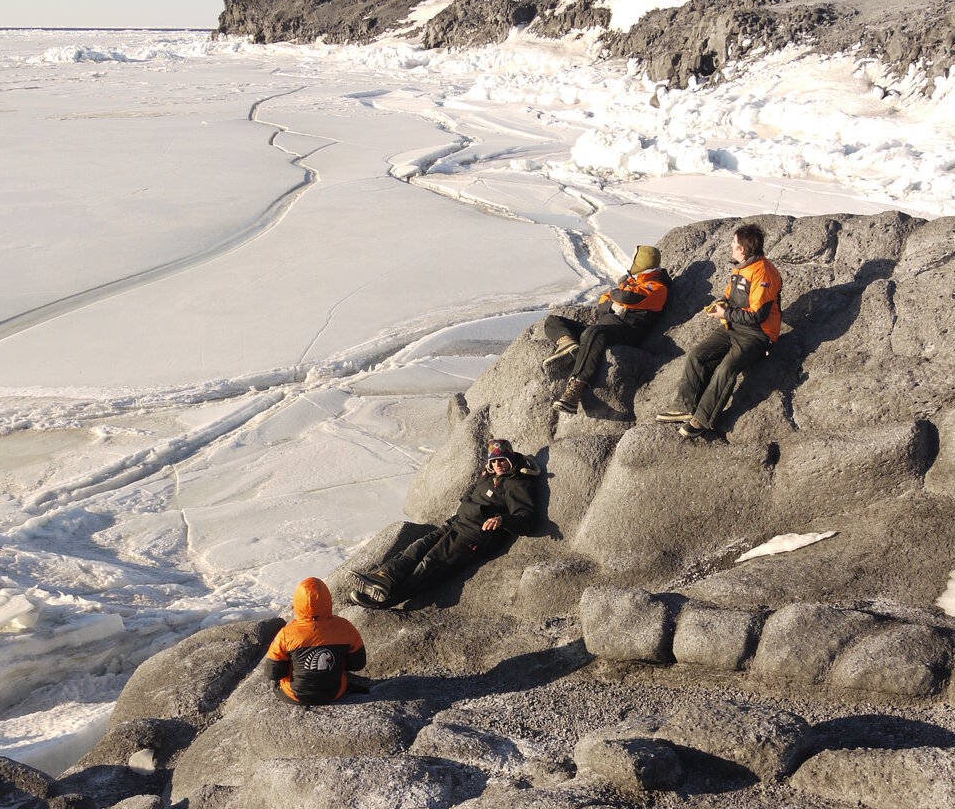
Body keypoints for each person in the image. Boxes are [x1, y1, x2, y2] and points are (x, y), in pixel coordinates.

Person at [349, 437, 540, 609]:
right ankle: (383, 578)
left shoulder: (518, 483)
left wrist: (501, 520)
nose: (498, 464)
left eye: (502, 460)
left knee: (431, 565)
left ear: (510, 459)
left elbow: (527, 520)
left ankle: (386, 599)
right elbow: (472, 490)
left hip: (473, 537)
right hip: (456, 523)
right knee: (417, 548)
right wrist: (466, 500)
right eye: (494, 460)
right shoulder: (489, 474)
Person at [656, 223, 782, 439]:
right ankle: (684, 406)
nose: (731, 247)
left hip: (757, 334)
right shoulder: (740, 267)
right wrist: (721, 304)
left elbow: (757, 315)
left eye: (734, 244)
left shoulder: (763, 273)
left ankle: (703, 419)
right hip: (732, 328)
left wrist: (725, 314)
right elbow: (730, 297)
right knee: (698, 356)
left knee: (727, 368)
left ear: (742, 248)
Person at [543, 245, 670, 414]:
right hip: (606, 326)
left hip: (627, 332)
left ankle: (575, 389)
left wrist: (617, 296)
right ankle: (570, 345)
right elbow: (602, 302)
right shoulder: (633, 282)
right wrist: (615, 305)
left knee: (593, 333)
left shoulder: (658, 287)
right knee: (553, 321)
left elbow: (625, 296)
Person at [263, 576, 366, 705]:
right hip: (335, 693)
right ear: (328, 600)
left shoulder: (286, 633)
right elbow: (358, 664)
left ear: (297, 603)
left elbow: (273, 673)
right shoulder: (345, 627)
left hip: (294, 695)